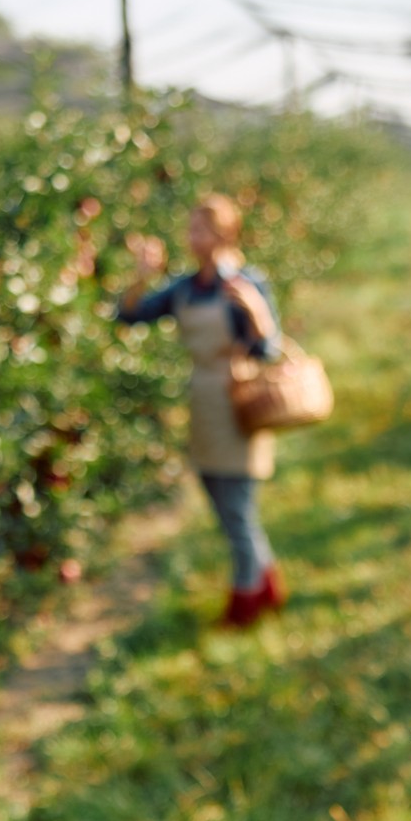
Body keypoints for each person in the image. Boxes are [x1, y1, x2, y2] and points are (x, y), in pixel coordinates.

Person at [117, 193, 287, 626]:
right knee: (223, 500)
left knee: (237, 508)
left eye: (200, 229)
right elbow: (131, 316)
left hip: (239, 400)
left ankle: (244, 606)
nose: (191, 238)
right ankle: (268, 587)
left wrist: (256, 311)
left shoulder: (245, 282)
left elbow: (270, 349)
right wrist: (140, 276)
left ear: (224, 233)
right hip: (203, 400)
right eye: (190, 228)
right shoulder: (186, 286)